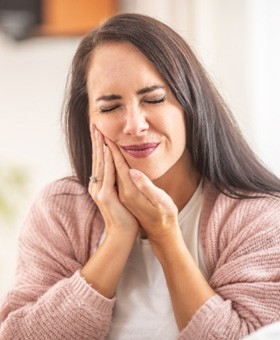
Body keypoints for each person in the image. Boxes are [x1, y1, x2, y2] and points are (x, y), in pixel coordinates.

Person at [0, 13, 280, 340]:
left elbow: (249, 336)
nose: (135, 125)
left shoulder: (260, 219)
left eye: (154, 99)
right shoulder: (60, 210)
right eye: (109, 107)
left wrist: (165, 235)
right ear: (87, 120)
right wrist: (118, 237)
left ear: (190, 105)